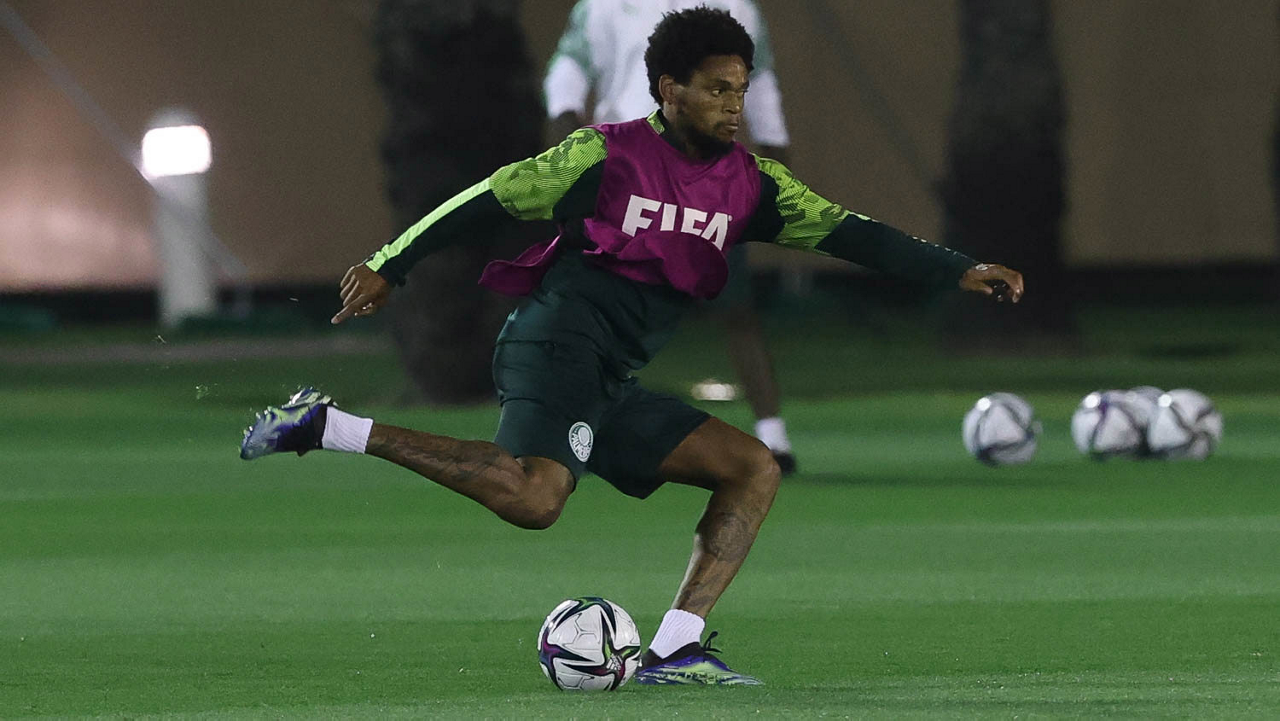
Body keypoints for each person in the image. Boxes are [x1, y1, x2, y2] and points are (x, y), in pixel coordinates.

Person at [240, 6, 1023, 686]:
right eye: (717, 89)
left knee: (751, 467)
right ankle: (330, 426)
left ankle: (675, 647)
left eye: (741, 88)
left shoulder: (753, 186)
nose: (734, 104)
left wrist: (958, 269)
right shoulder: (602, 155)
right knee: (537, 498)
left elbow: (854, 233)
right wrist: (390, 263)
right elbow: (486, 198)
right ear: (668, 89)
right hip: (554, 341)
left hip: (610, 373)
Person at [544, 0, 800, 473]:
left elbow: (759, 79)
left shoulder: (735, 6)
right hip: (629, 172)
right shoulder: (605, 5)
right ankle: (576, 430)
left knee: (735, 306)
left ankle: (773, 436)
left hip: (706, 173)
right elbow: (569, 67)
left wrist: (775, 147)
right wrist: (569, 133)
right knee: (603, 306)